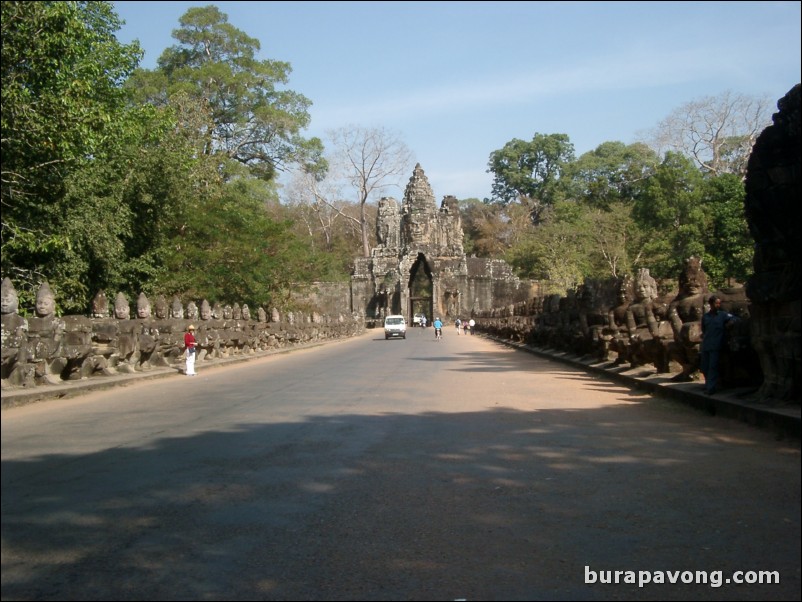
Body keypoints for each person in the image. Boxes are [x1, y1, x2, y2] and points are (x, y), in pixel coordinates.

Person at [700, 295, 737, 395]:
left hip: (717, 344)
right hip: (706, 344)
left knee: (713, 366)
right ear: (711, 304)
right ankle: (708, 384)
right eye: (716, 303)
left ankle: (710, 388)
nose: (718, 305)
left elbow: (735, 318)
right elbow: (703, 330)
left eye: (719, 303)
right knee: (704, 367)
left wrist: (730, 323)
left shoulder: (723, 315)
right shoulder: (705, 317)